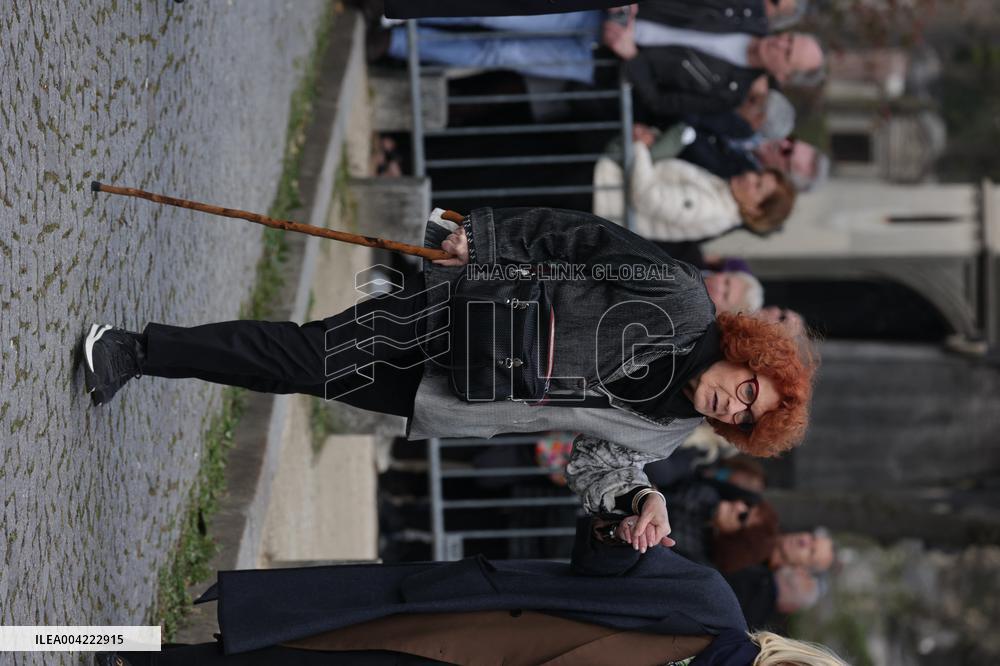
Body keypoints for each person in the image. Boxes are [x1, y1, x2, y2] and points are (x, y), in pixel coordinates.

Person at [83, 207, 816, 550]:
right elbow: (583, 241)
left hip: (455, 395)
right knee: (303, 357)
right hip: (456, 314)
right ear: (748, 357)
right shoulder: (682, 297)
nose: (736, 404)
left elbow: (598, 462)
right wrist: (486, 239)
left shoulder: (669, 428)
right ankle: (134, 350)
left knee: (297, 373)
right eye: (750, 389)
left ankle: (147, 352)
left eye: (747, 419)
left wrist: (641, 497)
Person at [99, 518, 850, 666]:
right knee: (293, 646)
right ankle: (114, 650)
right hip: (456, 627)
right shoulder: (713, 609)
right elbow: (601, 570)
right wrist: (621, 532)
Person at [603, 12, 825, 120]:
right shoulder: (745, 9)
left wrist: (632, 57)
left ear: (784, 75)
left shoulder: (728, 95)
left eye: (787, 53)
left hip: (602, 56)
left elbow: (661, 102)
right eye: (789, 38)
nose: (780, 43)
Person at [593, 142, 797, 241]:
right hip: (602, 188)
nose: (750, 178)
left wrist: (641, 149)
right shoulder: (721, 194)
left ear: (755, 211)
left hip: (597, 195)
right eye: (758, 175)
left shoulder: (713, 208)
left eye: (758, 186)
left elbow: (647, 197)